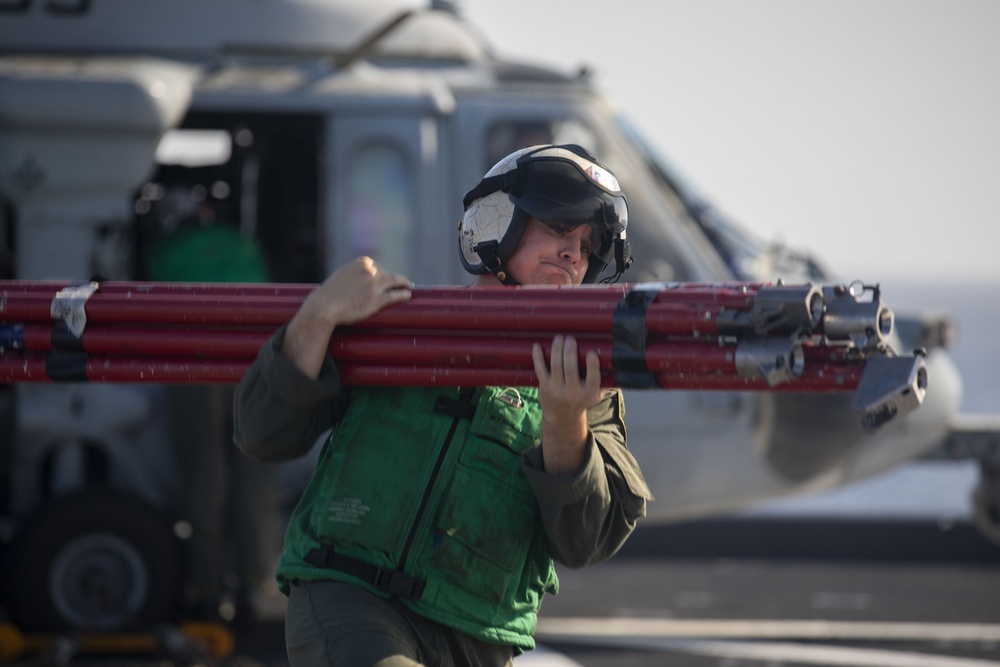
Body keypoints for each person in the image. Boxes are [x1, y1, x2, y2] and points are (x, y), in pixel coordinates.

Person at [233, 144, 652, 666]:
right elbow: (261, 432)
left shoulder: (592, 382)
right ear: (499, 222)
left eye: (587, 246)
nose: (574, 255)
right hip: (348, 592)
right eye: (559, 228)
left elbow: (584, 543)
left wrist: (566, 424)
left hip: (477, 633)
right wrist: (315, 318)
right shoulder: (394, 326)